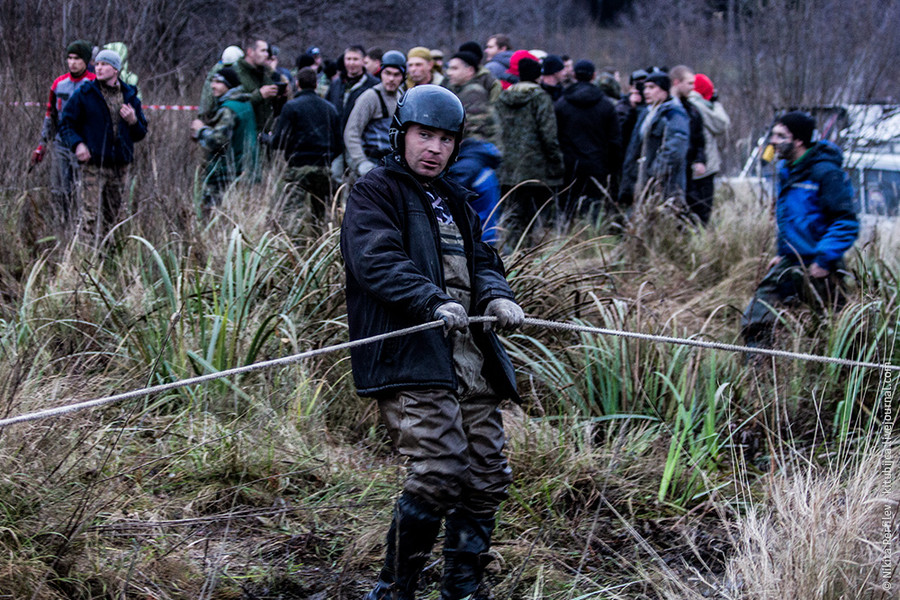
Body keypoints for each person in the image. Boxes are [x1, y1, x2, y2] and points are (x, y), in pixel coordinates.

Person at [341, 84, 524, 600]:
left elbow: (484, 261)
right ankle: (394, 588)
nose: (434, 148)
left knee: (487, 474)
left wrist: (496, 297)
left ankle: (462, 587)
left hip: (471, 357)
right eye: (425, 135)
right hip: (414, 351)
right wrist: (430, 300)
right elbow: (375, 259)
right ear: (402, 134)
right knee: (440, 470)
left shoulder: (456, 200)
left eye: (446, 139)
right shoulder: (375, 191)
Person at [741, 111, 859, 348]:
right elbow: (793, 219)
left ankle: (847, 377)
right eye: (773, 134)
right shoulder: (788, 171)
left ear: (798, 141)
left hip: (823, 266)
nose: (772, 141)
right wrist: (782, 253)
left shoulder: (826, 173)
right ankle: (758, 374)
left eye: (780, 135)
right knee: (755, 318)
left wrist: (824, 260)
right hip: (790, 261)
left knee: (834, 331)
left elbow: (845, 222)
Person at [58, 49, 148, 247]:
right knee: (89, 217)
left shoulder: (130, 94)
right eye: (97, 64)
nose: (98, 68)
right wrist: (78, 144)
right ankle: (84, 262)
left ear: (115, 69)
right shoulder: (85, 93)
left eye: (104, 64)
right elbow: (65, 123)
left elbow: (141, 133)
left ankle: (110, 261)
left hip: (120, 165)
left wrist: (133, 121)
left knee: (115, 218)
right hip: (93, 165)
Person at [496, 54, 564, 245]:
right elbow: (548, 135)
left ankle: (511, 253)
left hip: (508, 168)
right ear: (538, 76)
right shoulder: (540, 98)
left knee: (513, 216)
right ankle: (530, 256)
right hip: (535, 169)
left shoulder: (503, 97)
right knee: (535, 218)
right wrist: (556, 162)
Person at [33, 39, 96, 226]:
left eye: (77, 58)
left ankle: (83, 227)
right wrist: (41, 145)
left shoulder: (94, 84)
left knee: (83, 190)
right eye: (69, 58)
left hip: (85, 145)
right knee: (59, 189)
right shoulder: (59, 84)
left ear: (85, 60)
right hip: (61, 143)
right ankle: (61, 226)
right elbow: (50, 116)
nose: (72, 63)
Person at [271, 67, 341, 226]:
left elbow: (279, 141)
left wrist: (266, 139)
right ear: (316, 84)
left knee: (291, 215)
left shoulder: (291, 107)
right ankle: (319, 245)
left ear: (297, 83)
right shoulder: (330, 108)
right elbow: (339, 144)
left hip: (297, 168)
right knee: (321, 217)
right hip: (323, 168)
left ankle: (294, 246)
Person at [554, 59, 623, 219]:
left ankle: (566, 242)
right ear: (594, 76)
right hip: (597, 166)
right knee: (593, 211)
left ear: (574, 75)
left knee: (566, 212)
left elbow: (554, 136)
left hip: (569, 166)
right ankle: (591, 240)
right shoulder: (606, 105)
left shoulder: (561, 104)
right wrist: (613, 170)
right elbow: (615, 141)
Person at [190, 67, 258, 218]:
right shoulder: (245, 104)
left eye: (218, 82)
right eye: (213, 81)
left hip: (226, 173)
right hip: (244, 169)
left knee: (212, 216)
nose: (213, 85)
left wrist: (201, 130)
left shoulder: (229, 109)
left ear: (229, 85)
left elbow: (218, 141)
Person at [619, 71, 689, 206]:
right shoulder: (647, 113)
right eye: (645, 88)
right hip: (642, 183)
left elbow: (676, 147)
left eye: (652, 87)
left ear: (664, 90)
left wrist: (655, 173)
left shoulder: (673, 114)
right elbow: (634, 148)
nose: (646, 92)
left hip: (664, 185)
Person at [343, 50, 406, 178]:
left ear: (403, 77)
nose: (391, 79)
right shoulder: (370, 97)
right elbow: (351, 132)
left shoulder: (402, 96)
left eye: (396, 74)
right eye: (387, 73)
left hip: (392, 163)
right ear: (381, 73)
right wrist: (361, 162)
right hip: (371, 162)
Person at [687, 73, 731, 225]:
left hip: (694, 166)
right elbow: (721, 124)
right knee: (702, 212)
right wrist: (716, 103)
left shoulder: (688, 103)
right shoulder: (699, 105)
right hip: (704, 168)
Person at [669, 65, 708, 222]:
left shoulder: (692, 110)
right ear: (677, 82)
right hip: (669, 168)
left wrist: (700, 160)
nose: (693, 88)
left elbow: (699, 139)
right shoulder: (666, 108)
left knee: (695, 208)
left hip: (688, 168)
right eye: (690, 83)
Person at [234, 37, 281, 134]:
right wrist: (259, 95)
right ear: (250, 52)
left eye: (267, 51)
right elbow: (234, 108)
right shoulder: (237, 73)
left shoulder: (265, 74)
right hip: (244, 134)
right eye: (263, 51)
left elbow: (274, 109)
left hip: (264, 135)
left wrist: (280, 95)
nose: (267, 55)